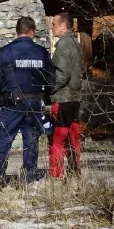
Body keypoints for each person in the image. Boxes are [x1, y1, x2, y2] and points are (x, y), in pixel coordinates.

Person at [0, 16, 55, 182]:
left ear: (17, 31)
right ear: (32, 31)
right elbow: (51, 81)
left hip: (13, 103)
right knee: (31, 140)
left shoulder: (5, 52)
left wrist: (3, 101)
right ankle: (29, 176)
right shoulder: (41, 52)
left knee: (2, 139)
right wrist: (43, 99)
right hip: (35, 103)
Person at [49, 12, 83, 179]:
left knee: (57, 139)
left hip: (63, 98)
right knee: (73, 137)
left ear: (63, 26)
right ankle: (75, 171)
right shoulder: (75, 42)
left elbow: (62, 74)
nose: (51, 27)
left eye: (54, 24)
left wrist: (48, 90)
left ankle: (56, 174)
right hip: (75, 97)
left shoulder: (63, 45)